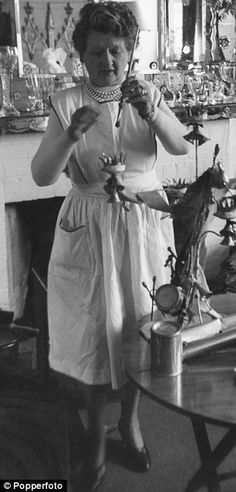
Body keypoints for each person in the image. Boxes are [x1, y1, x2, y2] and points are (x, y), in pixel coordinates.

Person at [31, 2, 190, 490]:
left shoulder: (148, 93)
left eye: (117, 50)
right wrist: (72, 133)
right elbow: (40, 175)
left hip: (140, 221)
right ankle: (99, 436)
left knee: (139, 326)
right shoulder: (66, 100)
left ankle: (130, 421)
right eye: (97, 51)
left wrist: (154, 111)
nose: (108, 60)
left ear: (131, 52)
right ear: (81, 55)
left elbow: (182, 146)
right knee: (99, 330)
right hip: (89, 225)